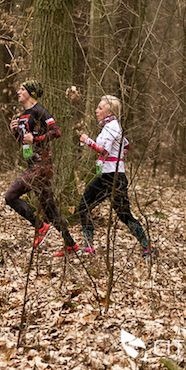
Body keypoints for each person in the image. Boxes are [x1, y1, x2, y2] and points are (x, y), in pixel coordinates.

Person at [3, 80, 80, 257]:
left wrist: (36, 139)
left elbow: (56, 132)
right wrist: (15, 132)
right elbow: (24, 141)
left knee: (10, 196)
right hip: (33, 164)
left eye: (22, 89)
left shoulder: (40, 111)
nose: (18, 92)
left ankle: (40, 227)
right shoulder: (23, 115)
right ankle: (71, 245)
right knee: (50, 210)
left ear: (30, 93)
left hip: (42, 165)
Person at [76, 95, 154, 259]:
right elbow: (126, 146)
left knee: (124, 215)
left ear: (109, 112)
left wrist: (87, 140)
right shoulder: (109, 127)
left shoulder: (112, 127)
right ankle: (88, 247)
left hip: (114, 178)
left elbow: (103, 150)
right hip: (106, 175)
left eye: (100, 108)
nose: (96, 111)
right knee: (84, 205)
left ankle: (147, 247)